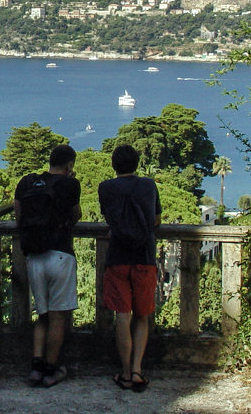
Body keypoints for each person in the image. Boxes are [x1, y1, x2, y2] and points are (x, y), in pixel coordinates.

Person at [13, 144, 82, 387]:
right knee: (58, 317)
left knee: (41, 315)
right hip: (60, 256)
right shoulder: (70, 185)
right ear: (69, 165)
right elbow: (75, 216)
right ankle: (51, 370)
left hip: (34, 257)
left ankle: (35, 366)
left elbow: (19, 216)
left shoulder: (27, 183)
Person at [97, 143, 161, 393]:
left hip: (118, 257)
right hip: (144, 257)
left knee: (123, 316)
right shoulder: (148, 185)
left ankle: (124, 372)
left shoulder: (106, 188)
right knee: (142, 315)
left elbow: (108, 218)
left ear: (114, 165)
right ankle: (137, 370)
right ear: (137, 164)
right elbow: (156, 220)